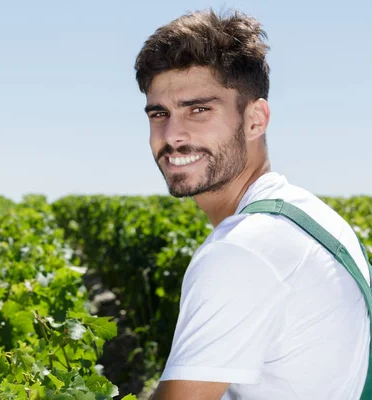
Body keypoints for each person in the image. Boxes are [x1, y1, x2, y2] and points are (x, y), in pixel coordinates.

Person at [134, 9, 371, 400]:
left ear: (255, 119)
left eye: (199, 109)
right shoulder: (306, 213)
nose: (173, 135)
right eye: (160, 114)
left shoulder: (242, 251)